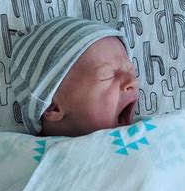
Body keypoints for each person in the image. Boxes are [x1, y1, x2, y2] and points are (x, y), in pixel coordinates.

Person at [9, 16, 139, 137]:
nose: (132, 81)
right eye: (106, 75)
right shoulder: (18, 149)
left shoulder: (151, 131)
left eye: (131, 70)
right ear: (52, 107)